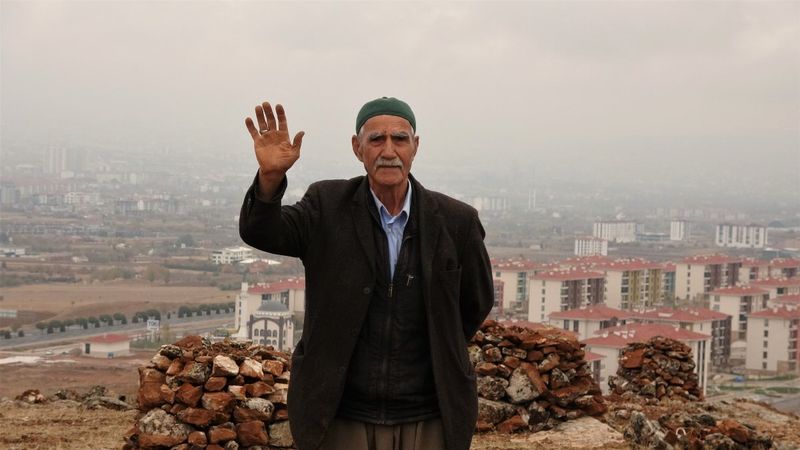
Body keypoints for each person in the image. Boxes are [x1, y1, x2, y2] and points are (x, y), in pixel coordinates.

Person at [239, 97, 494, 450]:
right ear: (357, 148)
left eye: (400, 139)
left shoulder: (456, 222)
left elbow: (475, 302)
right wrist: (270, 177)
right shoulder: (327, 205)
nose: (388, 150)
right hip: (341, 414)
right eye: (376, 139)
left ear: (415, 146)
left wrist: (441, 343)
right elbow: (262, 232)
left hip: (429, 415)